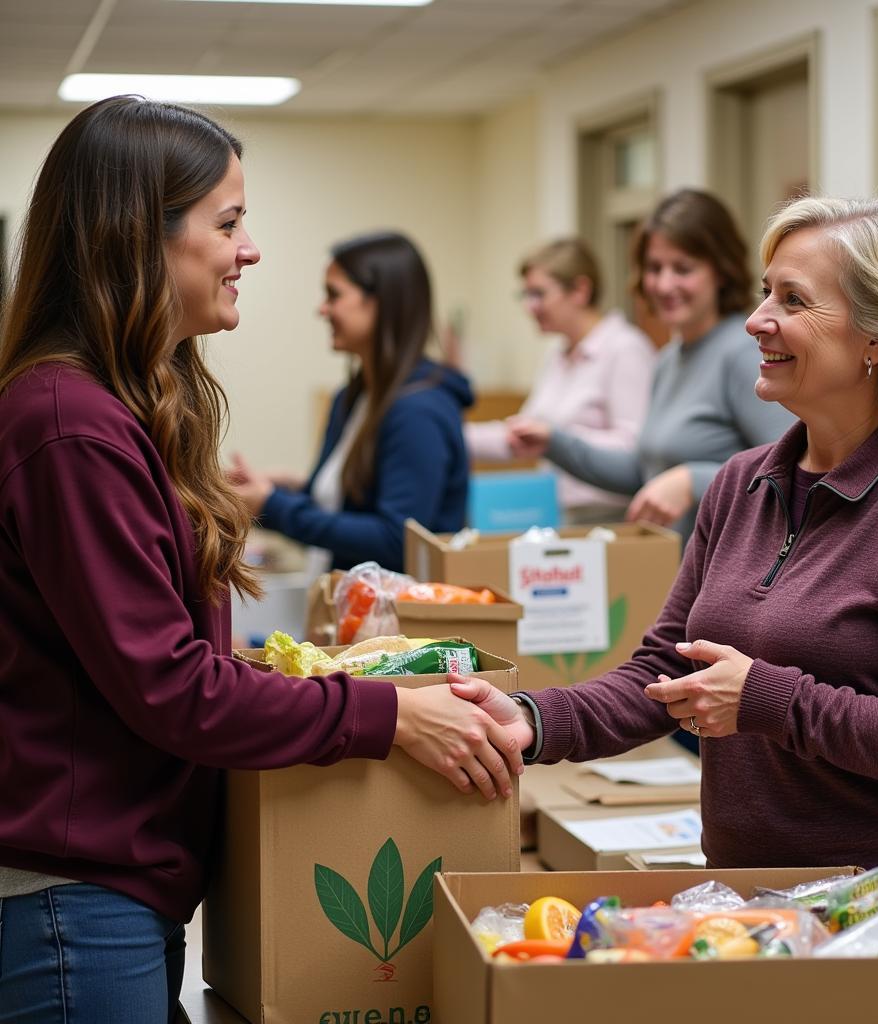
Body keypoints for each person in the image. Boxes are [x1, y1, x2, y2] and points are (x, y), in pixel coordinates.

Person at [0, 96, 521, 1024]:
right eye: (229, 223)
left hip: (113, 886)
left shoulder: (119, 408)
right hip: (72, 901)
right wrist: (386, 718)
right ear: (137, 238)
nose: (251, 250)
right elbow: (168, 688)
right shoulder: (67, 425)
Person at [456, 195, 878, 1021]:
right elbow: (662, 670)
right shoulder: (743, 482)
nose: (757, 320)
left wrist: (766, 698)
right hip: (755, 909)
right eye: (764, 292)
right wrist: (531, 720)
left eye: (792, 300)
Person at [508, 189, 794, 544]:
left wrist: (694, 480)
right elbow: (645, 473)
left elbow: (790, 473)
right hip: (680, 573)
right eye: (654, 268)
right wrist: (554, 442)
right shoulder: (668, 360)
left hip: (731, 575)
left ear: (721, 271)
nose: (664, 284)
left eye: (683, 269)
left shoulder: (743, 353)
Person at [228, 230, 472, 573]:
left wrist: (272, 504)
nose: (322, 309)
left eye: (334, 295)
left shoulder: (420, 410)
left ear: (382, 302)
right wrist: (265, 495)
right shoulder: (353, 398)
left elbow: (397, 540)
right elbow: (332, 517)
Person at [465, 237, 655, 524]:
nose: (530, 306)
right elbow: (522, 435)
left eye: (539, 294)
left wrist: (557, 440)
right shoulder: (558, 354)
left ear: (580, 290)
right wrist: (451, 435)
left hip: (611, 521)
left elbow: (634, 449)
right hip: (557, 515)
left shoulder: (626, 349)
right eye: (525, 295)